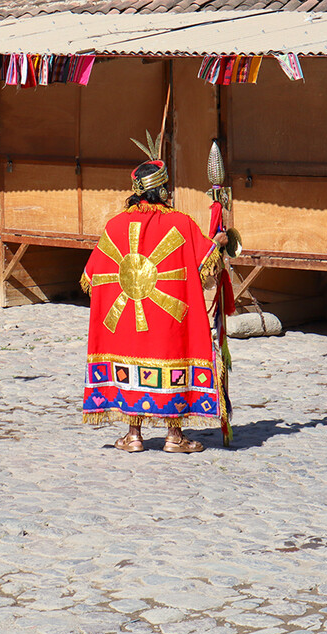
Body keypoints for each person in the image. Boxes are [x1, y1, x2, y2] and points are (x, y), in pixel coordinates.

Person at [81, 158, 229, 453]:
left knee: (131, 362)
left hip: (125, 325)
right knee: (171, 361)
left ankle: (133, 435)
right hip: (166, 324)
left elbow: (91, 277)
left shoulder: (115, 225)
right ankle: (174, 436)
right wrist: (219, 240)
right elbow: (206, 264)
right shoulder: (181, 223)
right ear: (161, 191)